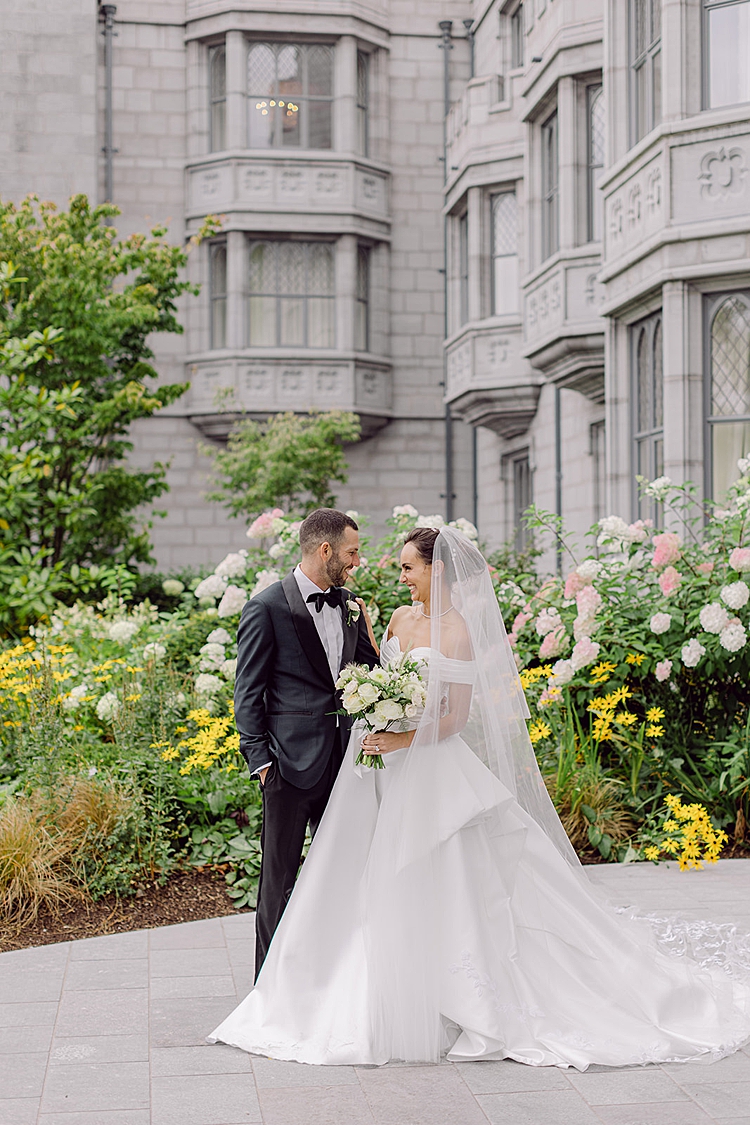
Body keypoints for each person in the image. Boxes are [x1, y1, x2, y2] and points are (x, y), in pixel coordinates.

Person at [210, 524, 750, 1068]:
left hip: (415, 764)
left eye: (407, 567)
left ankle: (438, 995)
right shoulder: (384, 616)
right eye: (371, 558)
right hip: (361, 767)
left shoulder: (455, 630)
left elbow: (455, 716)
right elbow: (351, 679)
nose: (394, 574)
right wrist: (277, 756)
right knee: (318, 876)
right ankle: (280, 988)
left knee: (429, 880)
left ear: (435, 570)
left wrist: (398, 731)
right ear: (326, 548)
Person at [233, 507, 379, 979]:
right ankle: (267, 990)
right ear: (325, 550)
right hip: (287, 769)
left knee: (341, 875)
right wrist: (262, 764)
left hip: (344, 765)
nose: (356, 562)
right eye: (352, 553)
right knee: (278, 882)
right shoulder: (267, 607)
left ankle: (330, 981)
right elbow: (248, 692)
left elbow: (369, 675)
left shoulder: (352, 606)